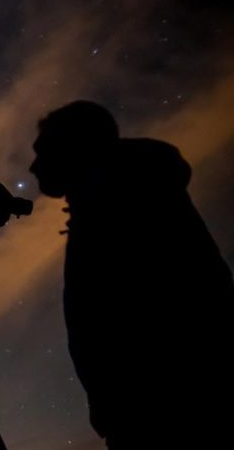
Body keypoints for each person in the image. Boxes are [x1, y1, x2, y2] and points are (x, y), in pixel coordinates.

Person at [29, 101, 234, 448]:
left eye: (42, 151)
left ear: (74, 145)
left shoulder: (120, 203)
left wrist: (119, 402)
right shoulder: (117, 195)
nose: (33, 167)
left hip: (163, 411)